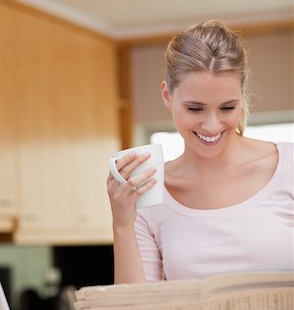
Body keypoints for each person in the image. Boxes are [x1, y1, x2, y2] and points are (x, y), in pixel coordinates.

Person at [107, 19, 293, 285]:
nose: (212, 125)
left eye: (227, 108)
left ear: (242, 96)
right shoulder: (151, 189)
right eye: (195, 109)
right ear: (167, 96)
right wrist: (122, 224)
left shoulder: (288, 167)